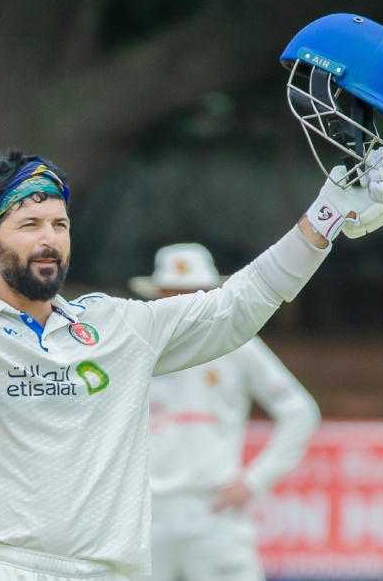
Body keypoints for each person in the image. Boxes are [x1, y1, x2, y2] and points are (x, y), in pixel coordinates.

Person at [0, 13, 383, 581]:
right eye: (29, 225)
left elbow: (237, 306)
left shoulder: (115, 326)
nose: (49, 239)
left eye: (59, 223)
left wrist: (327, 214)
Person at [131, 244, 320, 581]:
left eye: (191, 292)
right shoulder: (133, 346)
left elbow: (300, 412)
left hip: (215, 512)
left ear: (210, 293)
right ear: (158, 294)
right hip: (144, 518)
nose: (182, 301)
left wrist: (254, 482)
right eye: (174, 291)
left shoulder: (238, 344)